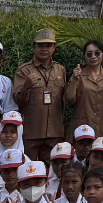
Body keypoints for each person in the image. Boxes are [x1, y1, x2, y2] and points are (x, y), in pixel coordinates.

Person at [12, 27, 68, 162]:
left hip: (54, 132)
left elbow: (65, 99)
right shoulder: (24, 70)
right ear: (34, 47)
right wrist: (26, 86)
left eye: (48, 45)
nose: (44, 49)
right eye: (40, 45)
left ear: (54, 48)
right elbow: (18, 99)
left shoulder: (60, 70)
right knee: (27, 168)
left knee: (52, 172)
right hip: (31, 132)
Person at [63, 38, 103, 136]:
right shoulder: (78, 75)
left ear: (102, 54)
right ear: (84, 56)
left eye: (97, 53)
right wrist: (74, 80)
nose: (93, 57)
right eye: (89, 54)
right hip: (82, 126)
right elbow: (69, 100)